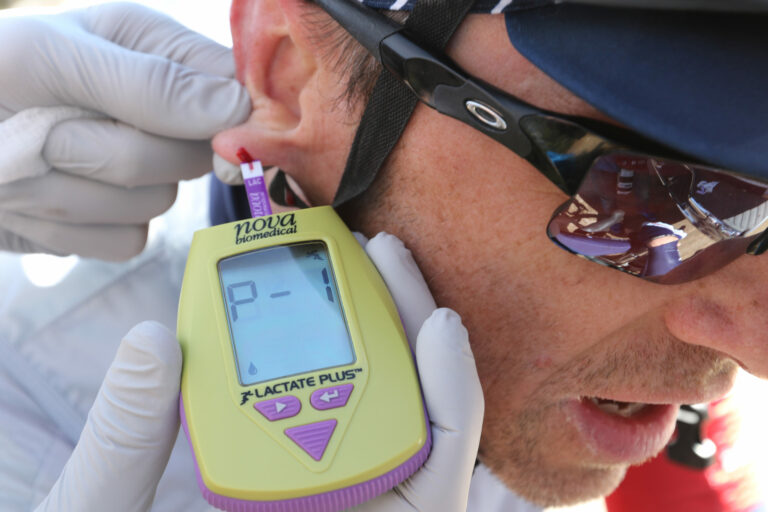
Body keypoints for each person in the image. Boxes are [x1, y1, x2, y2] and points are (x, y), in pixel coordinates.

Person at [1, 0, 768, 511]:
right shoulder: (27, 411)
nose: (757, 352)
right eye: (649, 202)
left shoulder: (654, 425)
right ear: (292, 74)